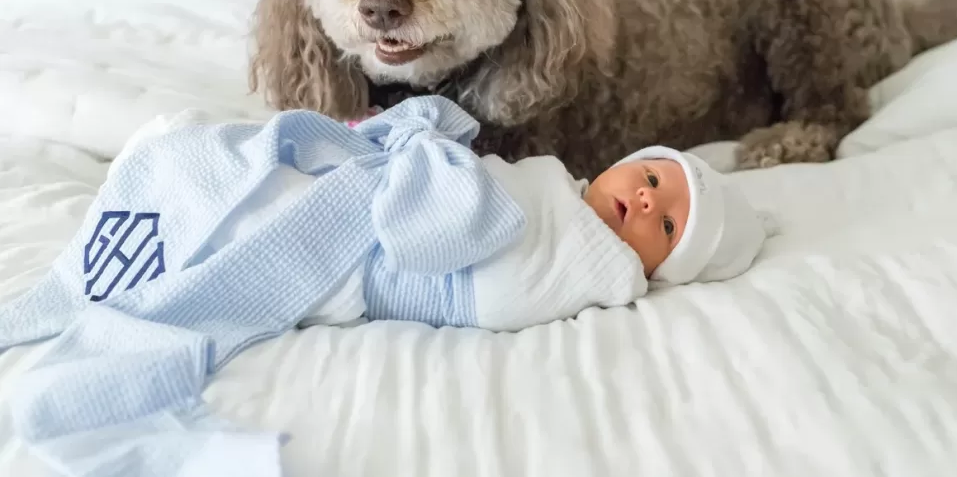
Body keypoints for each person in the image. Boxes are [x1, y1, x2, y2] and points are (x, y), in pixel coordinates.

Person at [0, 96, 775, 477]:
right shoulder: (562, 190)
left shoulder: (593, 264)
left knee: (251, 229)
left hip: (368, 258)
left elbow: (475, 263)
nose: (645, 200)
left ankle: (176, 171)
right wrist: (424, 150)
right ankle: (177, 162)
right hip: (382, 195)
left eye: (665, 224)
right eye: (649, 177)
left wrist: (433, 170)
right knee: (252, 161)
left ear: (653, 268)